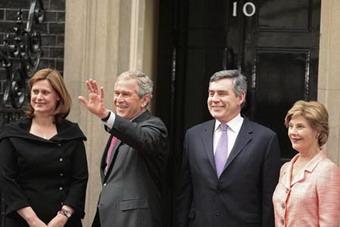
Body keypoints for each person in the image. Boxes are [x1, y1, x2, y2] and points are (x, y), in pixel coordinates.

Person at [175, 69, 281, 227]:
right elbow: (185, 192)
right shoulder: (193, 136)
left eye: (222, 93)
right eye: (211, 93)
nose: (214, 99)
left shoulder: (265, 139)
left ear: (240, 97)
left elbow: (268, 199)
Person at [78, 70, 168, 227]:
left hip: (134, 220)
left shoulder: (154, 126)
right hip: (108, 218)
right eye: (116, 93)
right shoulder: (118, 128)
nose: (118, 99)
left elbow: (140, 138)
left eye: (125, 94)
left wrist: (106, 115)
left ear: (144, 100)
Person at [0, 68, 88, 227]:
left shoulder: (72, 133)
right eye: (35, 92)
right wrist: (32, 220)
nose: (38, 97)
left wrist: (63, 216)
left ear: (58, 97)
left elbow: (79, 179)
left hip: (64, 222)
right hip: (21, 221)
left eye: (45, 92)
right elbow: (7, 180)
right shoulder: (12, 133)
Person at [272, 100, 340, 227]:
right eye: (291, 126)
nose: (292, 132)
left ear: (317, 131)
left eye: (300, 126)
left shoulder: (327, 170)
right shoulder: (285, 169)